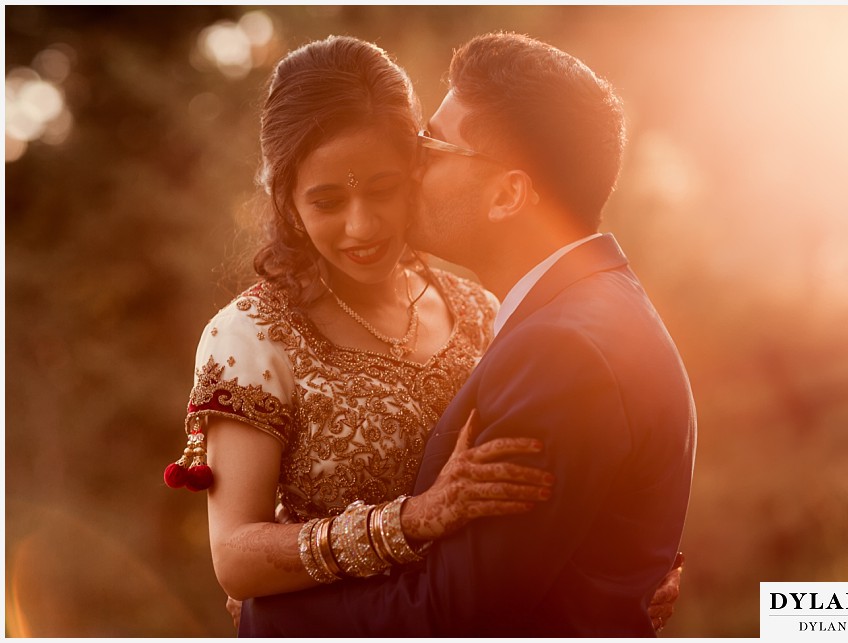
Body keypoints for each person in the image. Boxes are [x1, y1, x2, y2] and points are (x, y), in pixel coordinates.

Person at [162, 34, 683, 633]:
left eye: (384, 188)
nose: (362, 226)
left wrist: (621, 568)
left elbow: (540, 505)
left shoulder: (481, 310)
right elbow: (233, 558)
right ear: (287, 201)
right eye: (327, 201)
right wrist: (411, 520)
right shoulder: (250, 336)